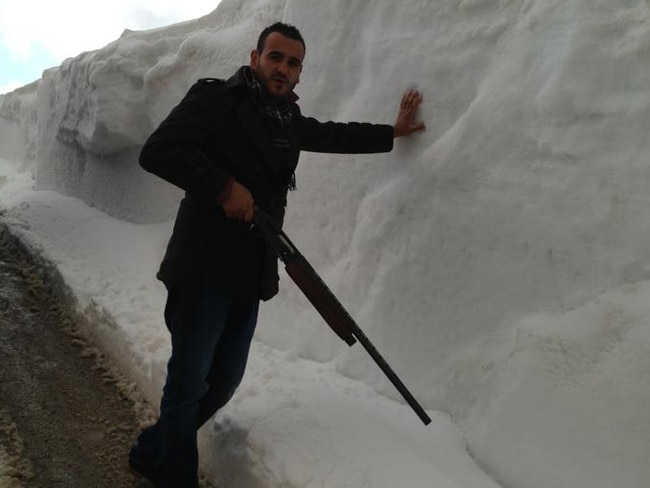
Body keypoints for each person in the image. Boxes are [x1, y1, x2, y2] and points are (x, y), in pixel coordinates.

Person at [128, 21, 425, 488]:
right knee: (187, 386)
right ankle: (173, 474)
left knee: (221, 383)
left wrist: (392, 132)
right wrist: (223, 187)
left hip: (249, 274)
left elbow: (333, 135)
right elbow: (159, 151)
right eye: (275, 57)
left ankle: (151, 450)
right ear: (255, 58)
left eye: (293, 62)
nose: (282, 68)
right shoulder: (215, 99)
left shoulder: (286, 120)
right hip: (202, 268)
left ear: (300, 73)